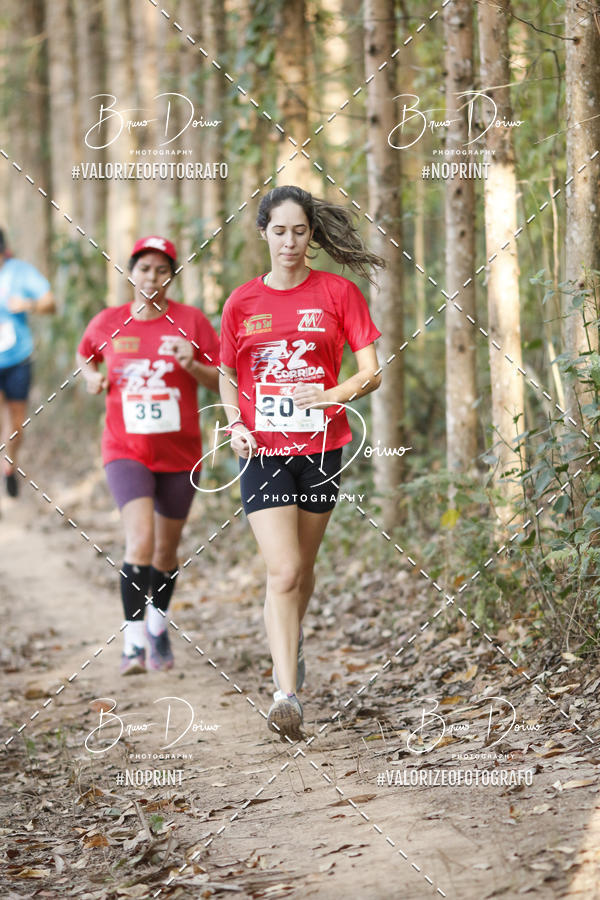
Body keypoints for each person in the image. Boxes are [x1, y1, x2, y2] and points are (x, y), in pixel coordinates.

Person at [219, 186, 384, 740]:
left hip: (321, 447)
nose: (290, 242)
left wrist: (336, 394)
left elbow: (371, 371)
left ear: (311, 235)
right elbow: (227, 373)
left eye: (300, 231)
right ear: (263, 232)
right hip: (263, 449)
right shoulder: (241, 302)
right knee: (284, 569)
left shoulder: (339, 293)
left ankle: (290, 643)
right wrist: (236, 425)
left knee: (303, 571)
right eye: (280, 230)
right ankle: (285, 693)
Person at [77, 235, 220, 675]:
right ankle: (133, 642)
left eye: (162, 270)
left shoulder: (191, 322)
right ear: (130, 272)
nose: (151, 278)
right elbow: (85, 356)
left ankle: (157, 627)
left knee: (165, 552)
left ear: (171, 276)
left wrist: (192, 365)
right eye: (144, 269)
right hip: (126, 449)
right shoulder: (109, 322)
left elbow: (222, 380)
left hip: (180, 453)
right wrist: (92, 378)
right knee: (139, 541)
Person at [0, 229, 55, 496]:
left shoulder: (20, 272)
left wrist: (29, 304)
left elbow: (50, 303)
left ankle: (9, 464)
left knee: (15, 424)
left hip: (17, 359)